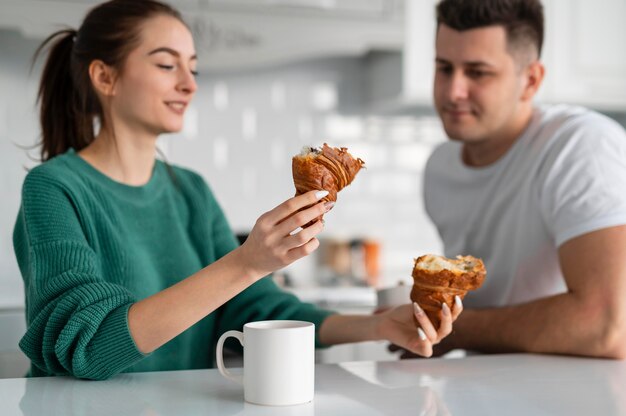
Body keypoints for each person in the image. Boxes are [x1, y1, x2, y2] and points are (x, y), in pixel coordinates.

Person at [12, 0, 462, 380]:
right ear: (104, 78)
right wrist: (247, 262)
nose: (189, 84)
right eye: (167, 65)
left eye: (193, 68)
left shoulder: (189, 191)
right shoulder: (54, 189)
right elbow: (88, 346)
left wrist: (377, 327)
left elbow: (251, 308)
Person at [419, 0, 626, 358]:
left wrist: (450, 330)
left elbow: (609, 327)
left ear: (530, 81)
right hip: (481, 390)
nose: (454, 91)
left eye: (478, 72)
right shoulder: (439, 167)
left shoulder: (577, 145)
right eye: (444, 67)